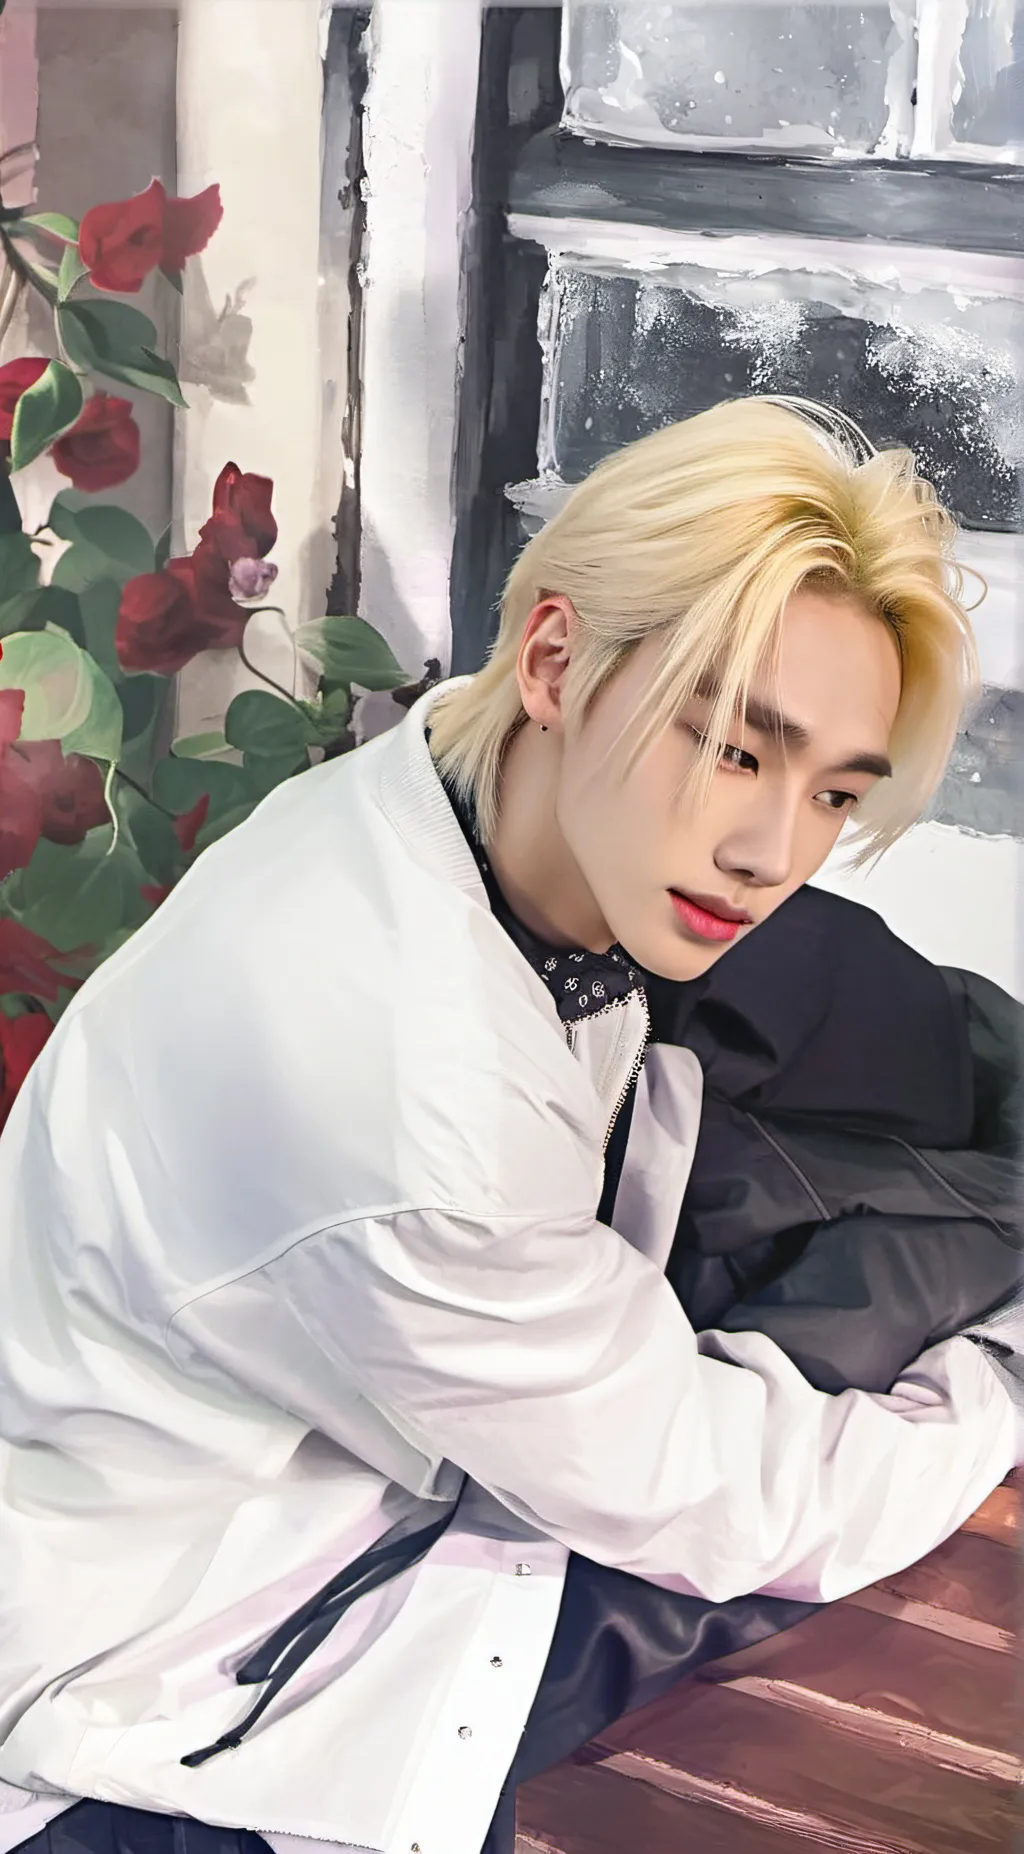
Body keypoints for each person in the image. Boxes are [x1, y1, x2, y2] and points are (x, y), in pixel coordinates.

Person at [0, 397, 1019, 1854]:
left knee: (893, 1065)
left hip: (332, 1400)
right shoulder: (410, 1101)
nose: (771, 851)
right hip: (176, 1650)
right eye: (735, 748)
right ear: (553, 661)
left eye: (833, 793)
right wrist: (997, 1383)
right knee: (886, 1349)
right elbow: (725, 1503)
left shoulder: (447, 786)